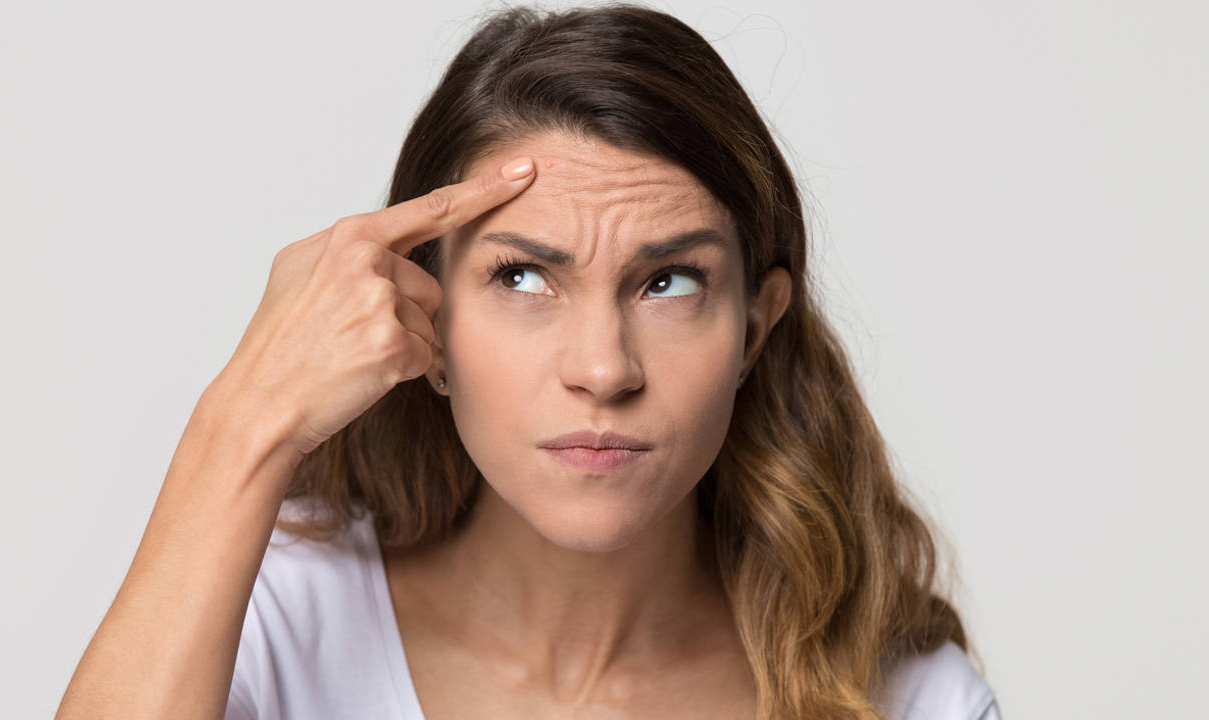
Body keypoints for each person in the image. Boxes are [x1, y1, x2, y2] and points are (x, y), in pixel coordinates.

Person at [55, 4, 1001, 719]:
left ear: (755, 331)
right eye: (523, 278)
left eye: (668, 282)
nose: (602, 369)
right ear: (420, 318)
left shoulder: (908, 697)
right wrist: (243, 425)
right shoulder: (276, 617)